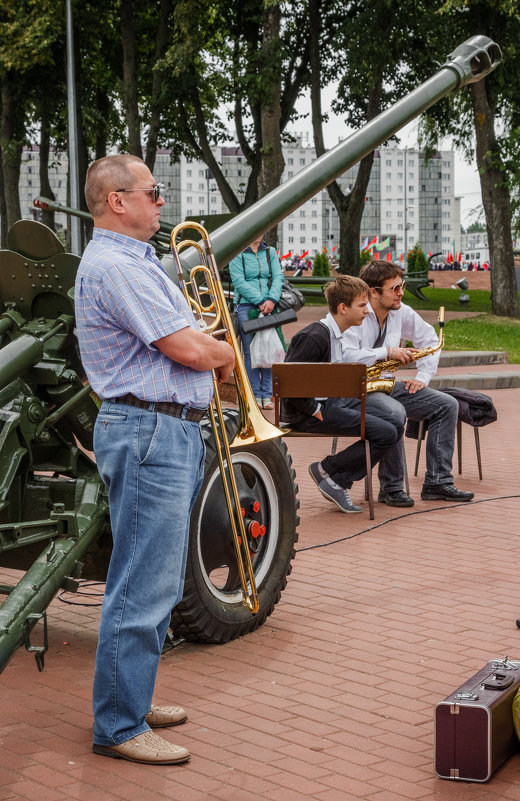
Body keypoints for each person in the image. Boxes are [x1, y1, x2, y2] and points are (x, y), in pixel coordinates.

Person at [74, 154, 235, 765]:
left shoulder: (129, 261)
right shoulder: (118, 265)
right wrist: (222, 352)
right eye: (152, 192)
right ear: (117, 200)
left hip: (156, 430)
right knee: (144, 581)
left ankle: (129, 698)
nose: (162, 202)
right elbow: (187, 347)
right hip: (150, 431)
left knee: (153, 577)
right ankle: (119, 724)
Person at [342, 259, 474, 507]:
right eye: (394, 288)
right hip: (359, 390)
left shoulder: (401, 311)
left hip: (388, 385)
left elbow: (429, 338)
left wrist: (422, 378)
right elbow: (346, 355)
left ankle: (437, 482)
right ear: (373, 292)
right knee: (395, 412)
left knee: (447, 405)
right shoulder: (356, 313)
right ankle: (391, 489)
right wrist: (387, 352)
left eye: (401, 286)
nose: (401, 292)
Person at [282, 275, 403, 513]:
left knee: (396, 425)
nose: (367, 311)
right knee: (386, 433)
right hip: (311, 412)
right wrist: (313, 410)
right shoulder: (315, 336)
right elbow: (288, 382)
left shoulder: (336, 333)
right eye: (362, 305)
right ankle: (331, 473)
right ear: (342, 308)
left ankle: (331, 474)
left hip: (335, 402)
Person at [229, 234, 284, 409]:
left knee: (269, 348)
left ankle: (267, 395)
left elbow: (278, 277)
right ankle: (253, 393)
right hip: (247, 306)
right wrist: (260, 301)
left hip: (268, 305)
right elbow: (239, 281)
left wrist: (271, 300)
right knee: (250, 352)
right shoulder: (237, 254)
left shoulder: (270, 252)